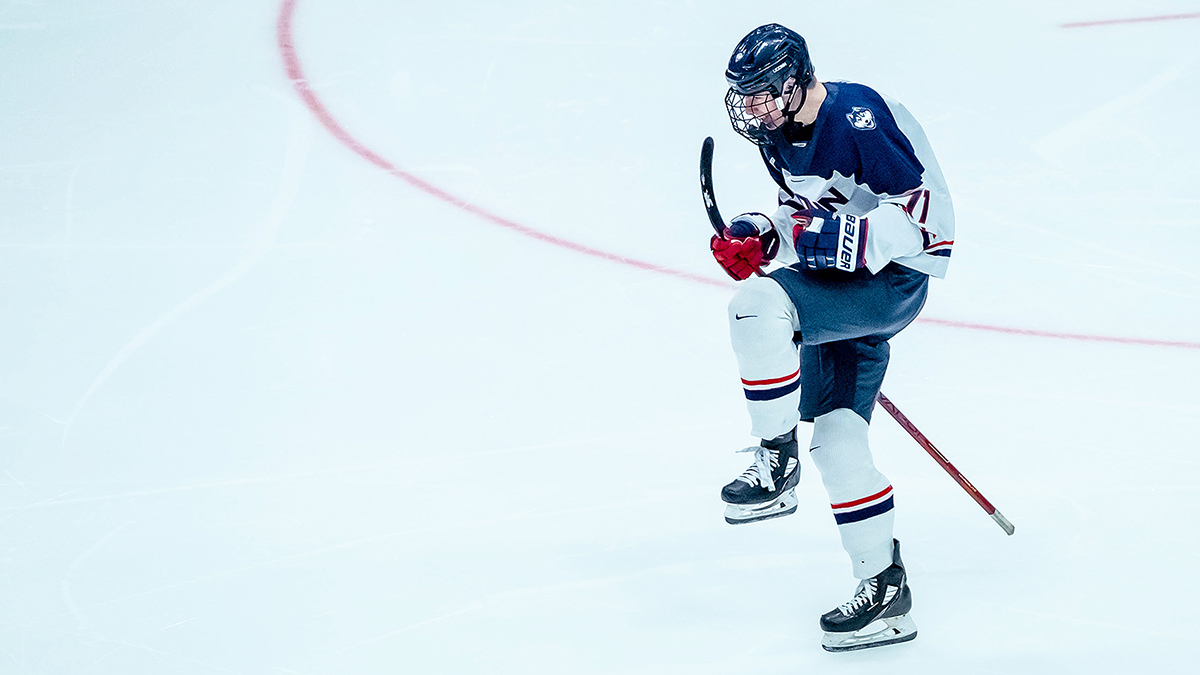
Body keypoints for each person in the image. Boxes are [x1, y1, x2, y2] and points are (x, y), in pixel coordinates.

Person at [709, 23, 954, 652]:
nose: (752, 109)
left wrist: (853, 240)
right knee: (839, 444)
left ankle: (773, 463)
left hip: (892, 282)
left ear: (796, 83)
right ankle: (885, 592)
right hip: (839, 288)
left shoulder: (859, 117)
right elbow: (805, 220)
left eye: (763, 93)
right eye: (746, 97)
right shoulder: (776, 137)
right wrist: (760, 232)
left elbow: (926, 225)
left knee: (756, 307)